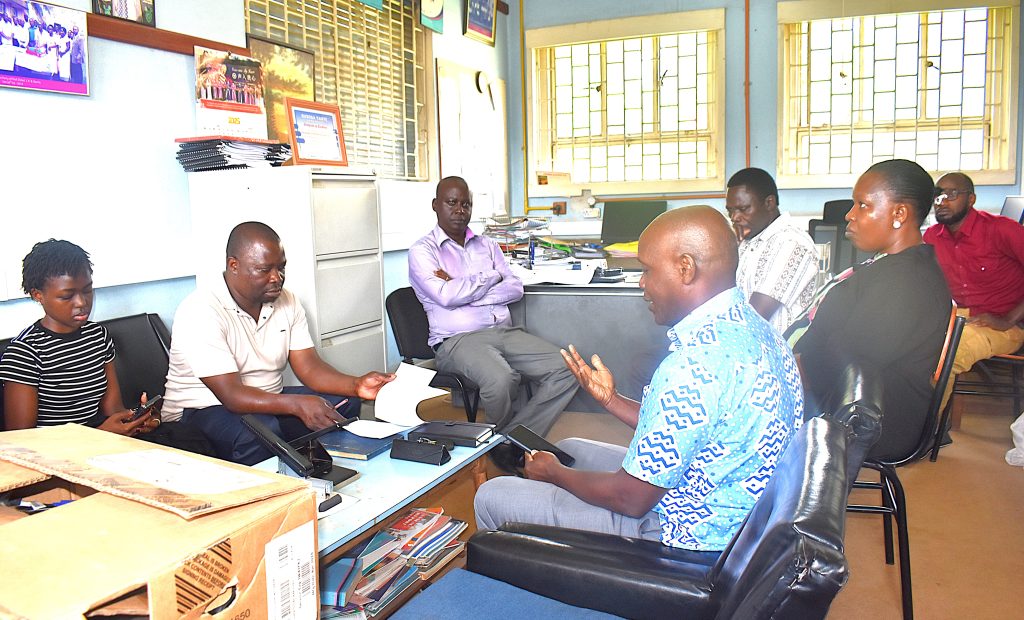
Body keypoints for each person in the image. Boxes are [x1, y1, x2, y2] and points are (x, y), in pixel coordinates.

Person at [474, 206, 804, 551]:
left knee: (493, 496)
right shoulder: (758, 330)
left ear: (685, 268)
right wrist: (612, 401)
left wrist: (554, 474)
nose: (642, 283)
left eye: (646, 270)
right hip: (736, 510)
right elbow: (695, 424)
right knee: (570, 449)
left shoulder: (693, 365)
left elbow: (630, 499)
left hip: (689, 533)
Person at [161, 222, 395, 465]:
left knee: (343, 404)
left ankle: (329, 472)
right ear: (234, 265)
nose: (276, 278)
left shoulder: (287, 300)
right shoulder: (201, 310)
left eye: (281, 267)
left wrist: (356, 385)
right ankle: (274, 486)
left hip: (268, 400)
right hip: (200, 410)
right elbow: (231, 395)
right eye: (264, 270)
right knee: (261, 430)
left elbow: (309, 367)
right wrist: (296, 405)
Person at [788, 159, 952, 460]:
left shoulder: (906, 282)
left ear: (899, 214)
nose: (850, 215)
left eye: (862, 205)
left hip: (869, 416)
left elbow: (849, 360)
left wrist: (784, 372)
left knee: (740, 412)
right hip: (847, 395)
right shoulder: (892, 265)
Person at [408, 176, 578, 441]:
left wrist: (465, 291)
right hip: (457, 341)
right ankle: (505, 445)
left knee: (569, 368)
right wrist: (491, 276)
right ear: (435, 205)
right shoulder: (422, 251)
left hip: (504, 332)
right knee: (501, 380)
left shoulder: (487, 244)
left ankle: (511, 440)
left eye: (466, 204)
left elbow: (515, 288)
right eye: (452, 203)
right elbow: (446, 296)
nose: (460, 210)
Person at [0, 240, 159, 436]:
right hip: (57, 450)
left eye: (87, 290)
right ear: (38, 295)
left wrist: (136, 421)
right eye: (67, 296)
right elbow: (21, 440)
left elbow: (113, 411)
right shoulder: (25, 353)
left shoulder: (97, 336)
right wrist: (99, 434)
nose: (81, 302)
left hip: (102, 440)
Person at [923, 172, 1024, 395]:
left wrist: (1008, 319)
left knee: (946, 357)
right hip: (958, 318)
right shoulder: (932, 237)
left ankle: (928, 419)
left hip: (1005, 325)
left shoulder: (1001, 229)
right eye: (938, 195)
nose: (942, 202)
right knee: (904, 345)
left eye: (951, 194)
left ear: (971, 199)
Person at [726, 167, 819, 334]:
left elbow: (755, 316)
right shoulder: (748, 240)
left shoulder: (791, 242)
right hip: (745, 340)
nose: (734, 218)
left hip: (777, 347)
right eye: (730, 211)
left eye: (743, 209)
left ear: (769, 203)